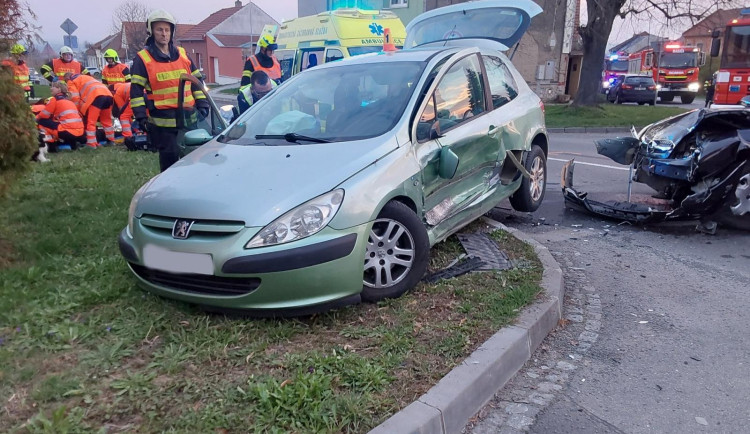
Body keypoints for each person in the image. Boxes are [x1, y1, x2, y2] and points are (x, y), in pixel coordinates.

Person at [130, 9, 209, 171]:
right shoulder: (143, 59)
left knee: (194, 159)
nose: (164, 34)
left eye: (167, 30)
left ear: (172, 32)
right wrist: (140, 117)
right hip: (162, 123)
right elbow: (136, 92)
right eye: (159, 30)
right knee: (170, 163)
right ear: (151, 31)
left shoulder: (182, 54)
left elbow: (196, 82)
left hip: (188, 117)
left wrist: (203, 104)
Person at [66, 72, 115, 148]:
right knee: (106, 121)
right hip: (108, 95)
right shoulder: (85, 77)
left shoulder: (71, 81)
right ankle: (111, 140)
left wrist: (77, 110)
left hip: (96, 97)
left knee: (91, 122)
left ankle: (91, 144)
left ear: (67, 78)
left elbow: (75, 97)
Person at [35, 81, 84, 152]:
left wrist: (35, 119)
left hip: (67, 131)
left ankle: (51, 146)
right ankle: (71, 144)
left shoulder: (54, 100)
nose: (51, 88)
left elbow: (44, 115)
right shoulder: (69, 101)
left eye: (53, 87)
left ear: (59, 89)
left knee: (42, 121)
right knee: (55, 123)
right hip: (80, 131)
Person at [112, 82, 136, 150]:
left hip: (136, 97)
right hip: (146, 94)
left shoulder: (117, 94)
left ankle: (128, 138)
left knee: (123, 116)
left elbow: (122, 110)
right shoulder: (124, 86)